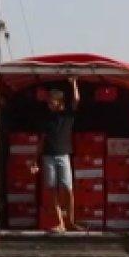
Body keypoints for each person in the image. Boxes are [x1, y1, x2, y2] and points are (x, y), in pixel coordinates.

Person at [32, 78, 81, 232]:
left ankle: (71, 221)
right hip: (48, 157)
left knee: (68, 189)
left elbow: (76, 99)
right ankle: (60, 223)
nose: (49, 104)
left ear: (59, 102)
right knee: (52, 190)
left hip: (63, 155)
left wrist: (73, 83)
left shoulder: (67, 115)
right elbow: (41, 140)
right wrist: (35, 160)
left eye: (52, 102)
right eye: (48, 102)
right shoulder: (46, 118)